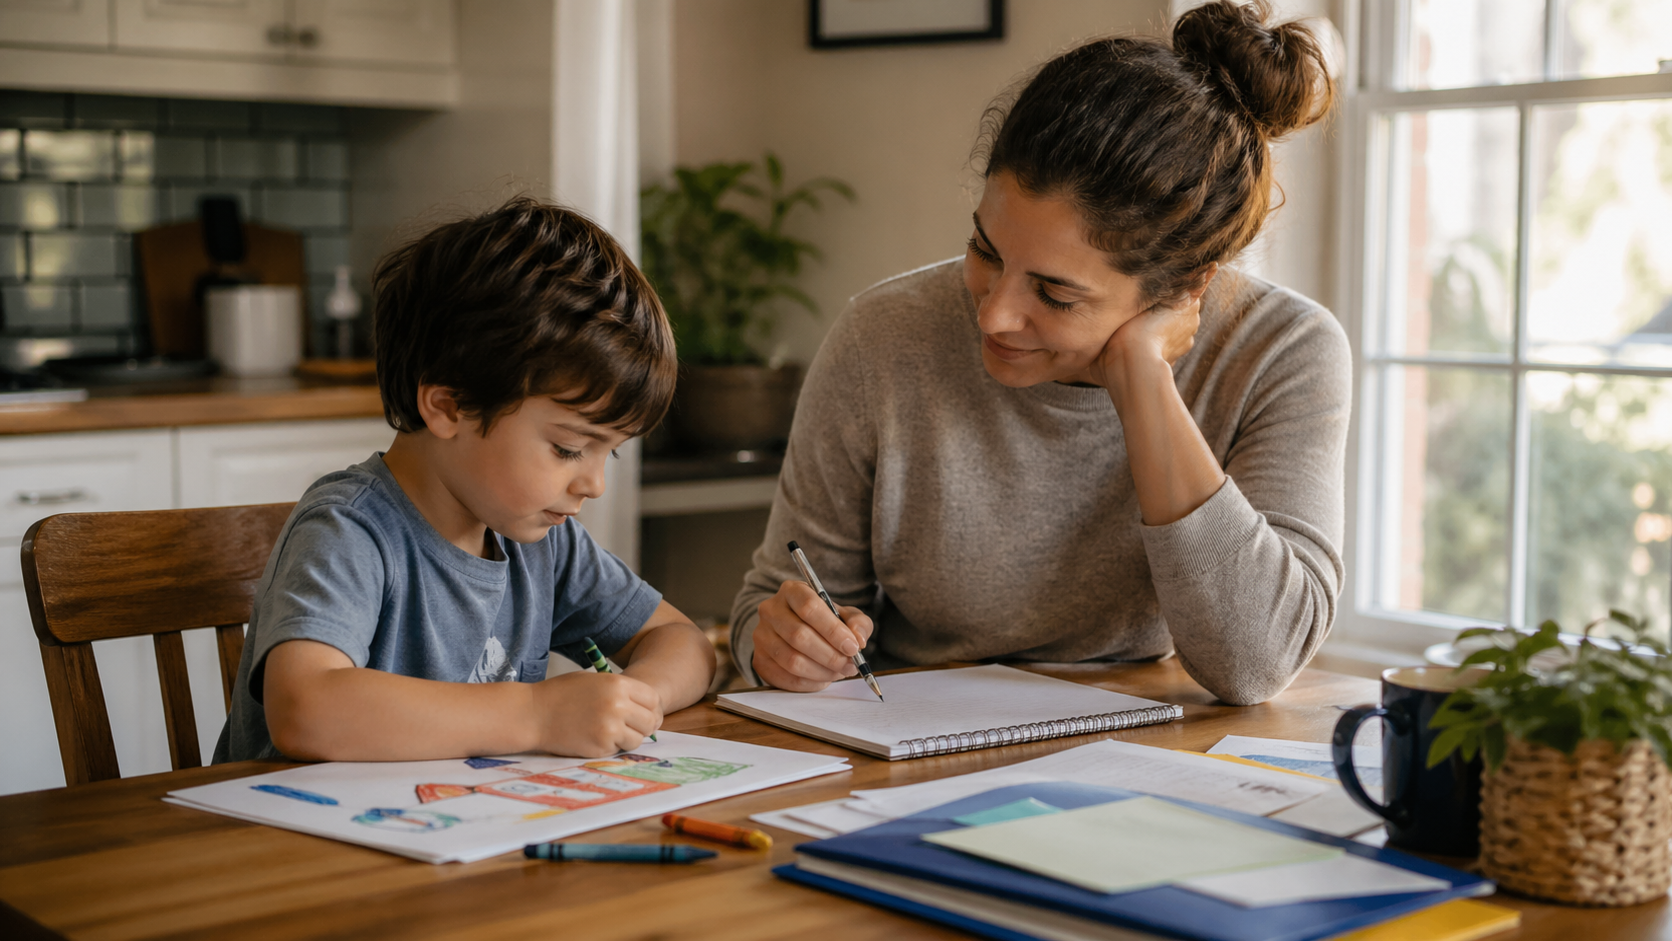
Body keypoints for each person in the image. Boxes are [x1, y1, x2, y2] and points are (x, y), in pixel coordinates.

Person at [731, 1, 1348, 706]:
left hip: (1151, 746)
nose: (993, 313)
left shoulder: (1283, 352)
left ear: (1184, 287)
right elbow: (767, 608)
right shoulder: (883, 336)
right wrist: (779, 642)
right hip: (908, 735)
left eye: (1055, 293)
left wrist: (1143, 378)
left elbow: (1255, 662)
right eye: (983, 250)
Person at [214, 197, 715, 764]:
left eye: (611, 455)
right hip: (290, 843)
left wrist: (633, 698)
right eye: (568, 448)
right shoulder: (350, 528)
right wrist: (537, 715)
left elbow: (684, 644)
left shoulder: (541, 542)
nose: (593, 484)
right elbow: (305, 709)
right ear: (449, 407)